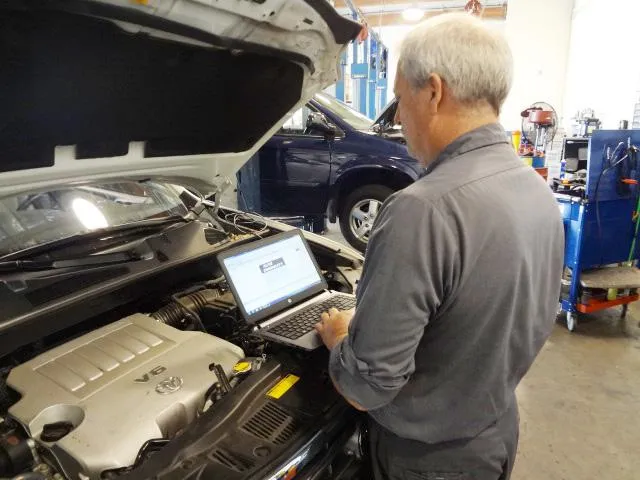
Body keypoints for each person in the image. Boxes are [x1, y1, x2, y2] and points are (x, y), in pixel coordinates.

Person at [315, 13, 564, 480]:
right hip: (493, 432)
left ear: (432, 91)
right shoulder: (535, 190)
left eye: (399, 99)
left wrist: (340, 337)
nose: (400, 117)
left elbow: (366, 387)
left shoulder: (421, 211)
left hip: (429, 461)